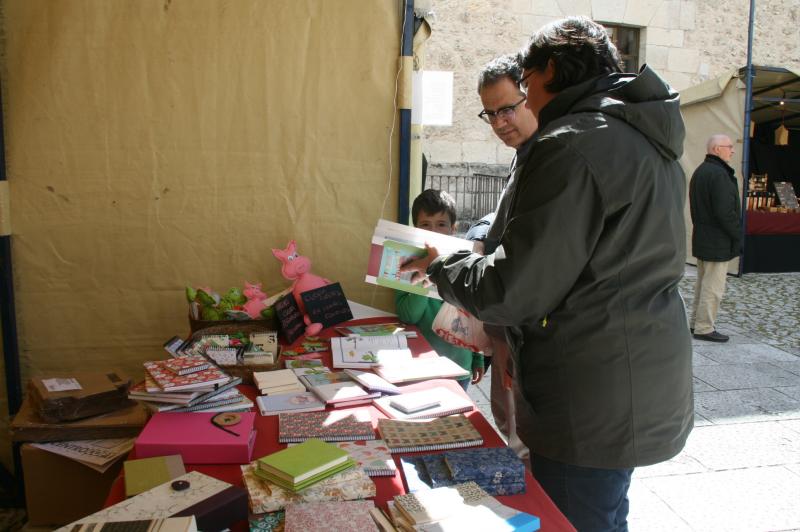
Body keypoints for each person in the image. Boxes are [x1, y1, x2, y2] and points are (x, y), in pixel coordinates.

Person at [402, 16, 693, 531]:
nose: (526, 99)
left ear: (549, 71)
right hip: (626, 371)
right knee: (601, 511)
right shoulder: (637, 134)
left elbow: (514, 288)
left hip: (588, 388)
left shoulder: (572, 142)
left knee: (575, 517)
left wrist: (444, 264)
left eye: (526, 84)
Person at [470, 54, 538, 466]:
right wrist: (480, 234)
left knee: (521, 442)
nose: (498, 123)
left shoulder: (549, 154)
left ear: (532, 96)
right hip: (505, 329)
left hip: (523, 330)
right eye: (490, 113)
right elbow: (503, 219)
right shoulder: (525, 154)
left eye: (507, 109)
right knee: (507, 427)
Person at [395, 189, 484, 391]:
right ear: (416, 228)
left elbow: (474, 314)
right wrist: (426, 277)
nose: (433, 232)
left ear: (453, 228)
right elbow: (408, 316)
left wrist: (477, 358)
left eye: (441, 225)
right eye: (426, 225)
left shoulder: (464, 264)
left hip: (459, 365)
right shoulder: (406, 262)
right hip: (420, 366)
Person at [689, 134, 741, 343]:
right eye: (729, 147)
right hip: (717, 239)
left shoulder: (701, 171)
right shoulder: (718, 174)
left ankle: (696, 322)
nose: (733, 150)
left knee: (703, 284)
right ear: (717, 149)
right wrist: (737, 234)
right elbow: (724, 212)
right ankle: (704, 327)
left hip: (704, 236)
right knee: (713, 287)